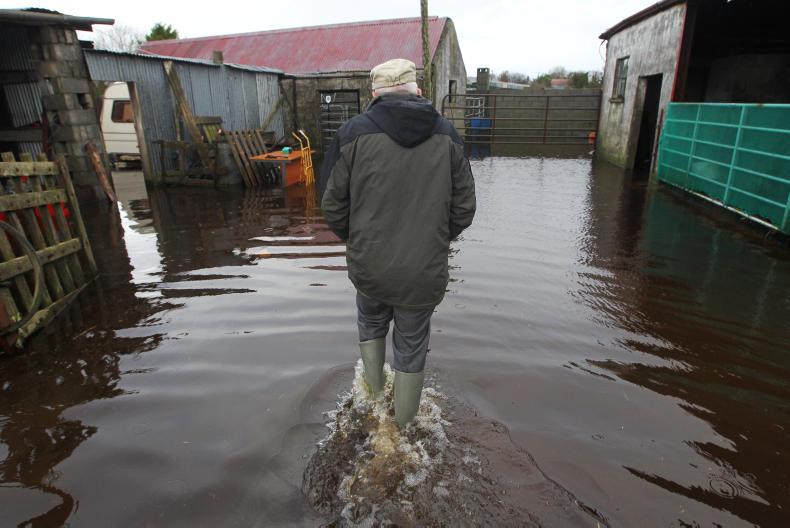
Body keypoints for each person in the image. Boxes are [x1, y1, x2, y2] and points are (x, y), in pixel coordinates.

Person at [320, 58, 476, 428]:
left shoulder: (351, 134)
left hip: (370, 266)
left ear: (374, 93)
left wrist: (358, 240)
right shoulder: (449, 136)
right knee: (411, 344)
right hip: (423, 271)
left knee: (371, 324)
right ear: (416, 89)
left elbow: (332, 204)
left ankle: (373, 402)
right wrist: (431, 240)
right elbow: (464, 209)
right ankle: (403, 430)